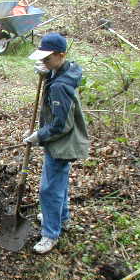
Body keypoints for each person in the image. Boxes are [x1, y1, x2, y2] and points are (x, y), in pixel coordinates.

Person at [24, 33, 89, 254]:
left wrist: (39, 136)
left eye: (48, 59)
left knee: (49, 190)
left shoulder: (61, 86)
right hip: (59, 140)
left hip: (60, 142)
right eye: (42, 59)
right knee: (58, 182)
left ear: (61, 55)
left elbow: (62, 125)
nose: (43, 62)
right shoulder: (66, 70)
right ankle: (61, 217)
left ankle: (50, 234)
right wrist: (50, 72)